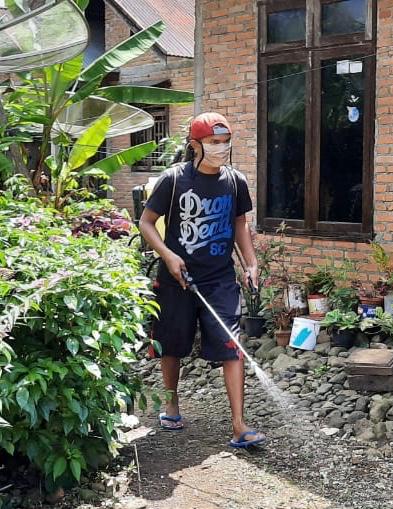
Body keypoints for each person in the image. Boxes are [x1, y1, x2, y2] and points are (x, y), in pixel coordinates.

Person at [139, 112, 265, 448]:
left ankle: (239, 425)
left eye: (225, 142)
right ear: (195, 145)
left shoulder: (235, 181)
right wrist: (168, 255)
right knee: (173, 343)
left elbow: (240, 224)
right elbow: (147, 223)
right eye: (213, 142)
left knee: (232, 346)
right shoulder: (174, 180)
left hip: (219, 279)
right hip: (177, 279)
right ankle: (171, 402)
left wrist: (251, 263)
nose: (221, 148)